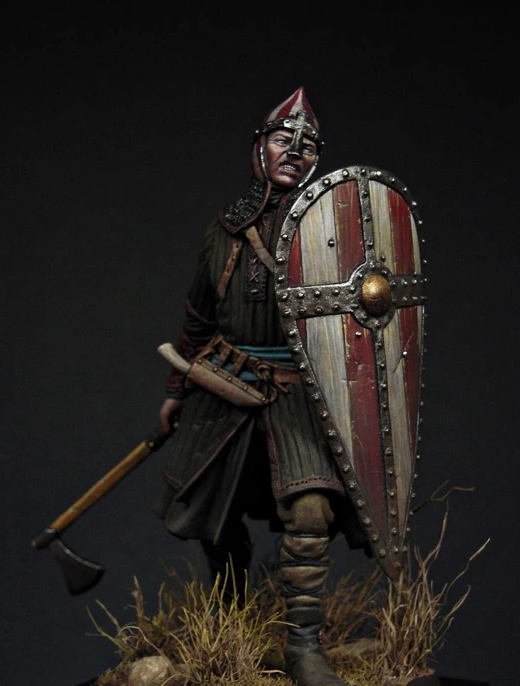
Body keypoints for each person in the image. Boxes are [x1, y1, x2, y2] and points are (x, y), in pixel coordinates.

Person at [154, 88, 367, 686]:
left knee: (310, 511)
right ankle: (232, 606)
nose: (294, 152)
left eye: (307, 147)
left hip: (299, 395)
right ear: (260, 148)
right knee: (214, 514)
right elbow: (199, 315)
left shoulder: (334, 233)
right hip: (225, 385)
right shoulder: (224, 230)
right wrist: (176, 389)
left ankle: (303, 646)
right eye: (282, 139)